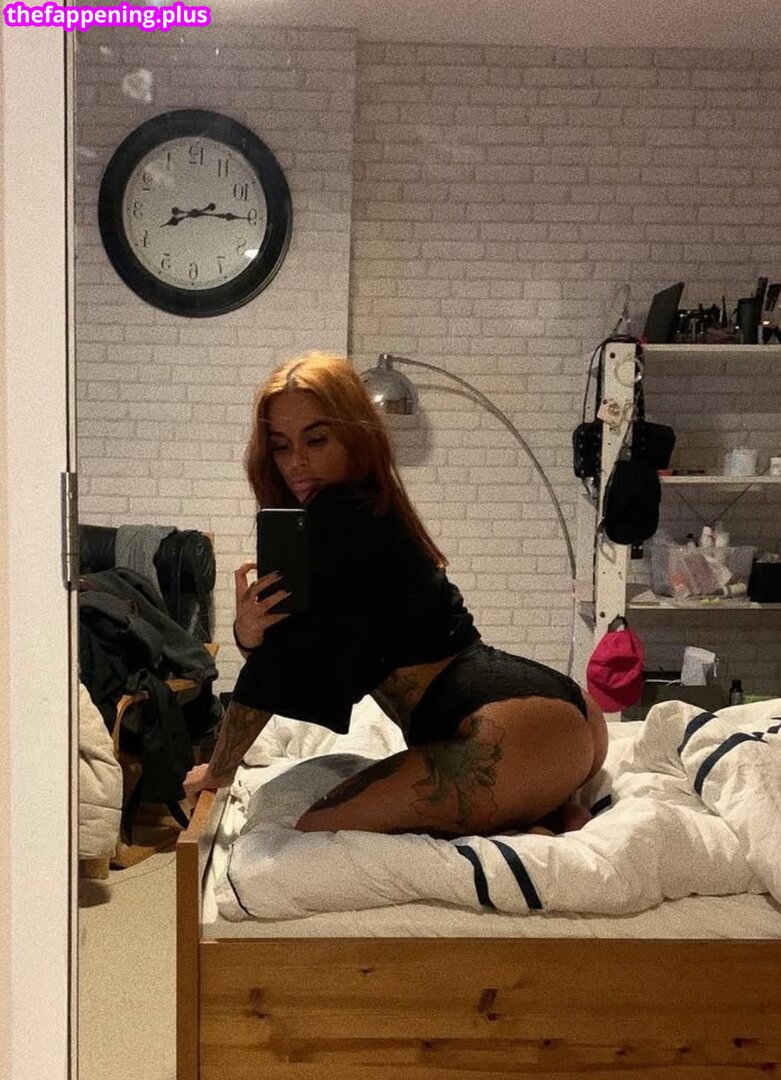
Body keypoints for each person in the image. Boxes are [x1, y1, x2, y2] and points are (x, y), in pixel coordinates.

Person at [183, 351, 608, 837]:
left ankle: (540, 805)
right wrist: (251, 632)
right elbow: (299, 651)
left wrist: (217, 771)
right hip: (564, 714)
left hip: (509, 731)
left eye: (317, 440)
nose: (296, 462)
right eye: (280, 446)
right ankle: (550, 805)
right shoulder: (377, 508)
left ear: (355, 435)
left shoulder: (336, 516)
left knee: (317, 829)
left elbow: (279, 666)